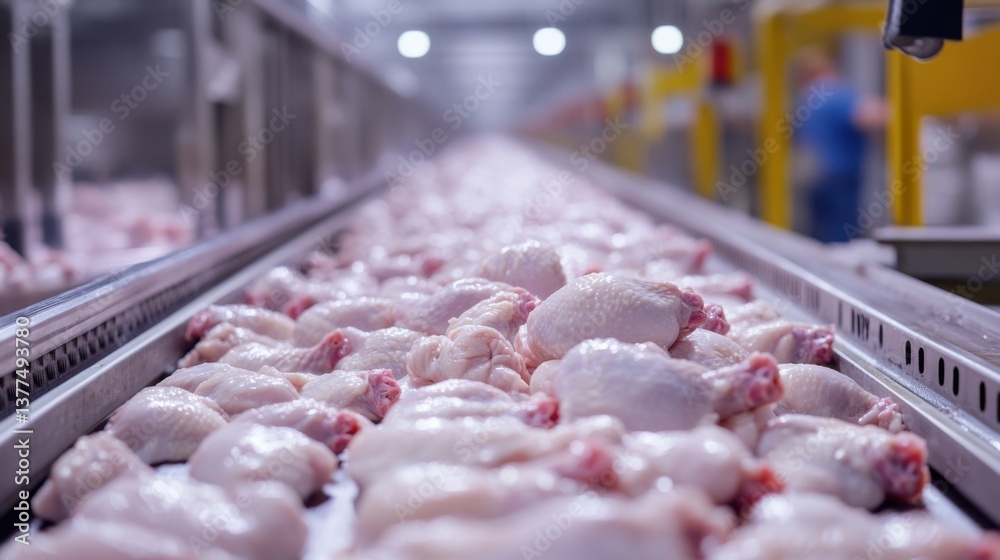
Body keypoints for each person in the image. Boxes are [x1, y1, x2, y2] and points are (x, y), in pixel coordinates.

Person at [794, 51, 886, 243]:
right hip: (841, 177)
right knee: (842, 237)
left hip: (816, 175)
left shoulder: (806, 99)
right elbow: (866, 116)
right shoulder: (836, 93)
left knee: (820, 234)